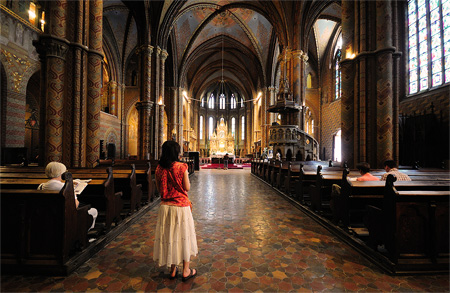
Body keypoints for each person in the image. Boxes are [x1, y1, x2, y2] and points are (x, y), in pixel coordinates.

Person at [153, 140, 198, 281]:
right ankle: (186, 270)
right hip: (181, 206)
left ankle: (172, 270)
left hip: (165, 207)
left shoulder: (159, 169)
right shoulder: (181, 167)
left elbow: (159, 189)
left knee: (170, 236)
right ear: (176, 152)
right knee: (184, 236)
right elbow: (187, 187)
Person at [38, 162, 98, 230]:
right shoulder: (65, 187)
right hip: (65, 216)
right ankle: (83, 233)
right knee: (93, 211)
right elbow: (75, 205)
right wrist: (74, 193)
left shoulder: (41, 186)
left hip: (48, 216)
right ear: (62, 173)